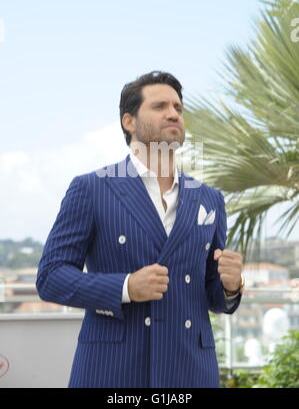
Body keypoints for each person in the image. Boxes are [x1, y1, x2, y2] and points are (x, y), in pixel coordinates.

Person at [36, 70, 244, 388]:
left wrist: (230, 286)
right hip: (115, 371)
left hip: (190, 371)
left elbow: (211, 296)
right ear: (129, 121)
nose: (173, 113)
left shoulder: (210, 199)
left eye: (178, 107)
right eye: (160, 106)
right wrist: (126, 287)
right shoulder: (91, 189)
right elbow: (50, 277)